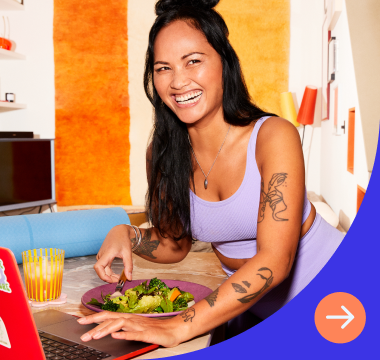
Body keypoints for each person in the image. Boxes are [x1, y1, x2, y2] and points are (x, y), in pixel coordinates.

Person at [78, 0, 344, 347]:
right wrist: (128, 235)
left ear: (224, 61)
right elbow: (175, 243)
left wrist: (179, 326)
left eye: (193, 61)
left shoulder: (273, 136)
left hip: (340, 298)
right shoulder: (163, 153)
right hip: (260, 314)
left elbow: (274, 260)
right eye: (163, 68)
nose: (178, 81)